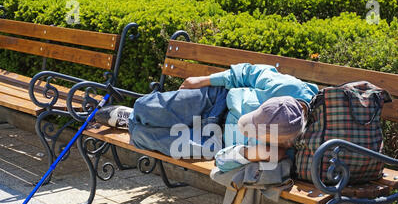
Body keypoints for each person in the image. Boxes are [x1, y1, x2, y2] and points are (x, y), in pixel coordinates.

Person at [95, 63, 318, 160]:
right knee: (145, 106)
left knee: (144, 137)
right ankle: (135, 114)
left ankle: (129, 122)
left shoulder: (288, 141)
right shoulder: (289, 88)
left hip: (218, 141)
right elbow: (247, 73)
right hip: (216, 100)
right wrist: (203, 80)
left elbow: (268, 158)